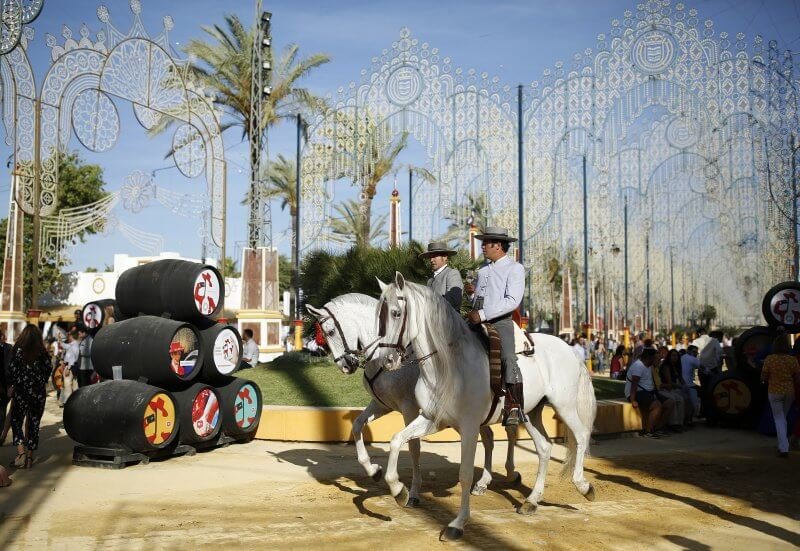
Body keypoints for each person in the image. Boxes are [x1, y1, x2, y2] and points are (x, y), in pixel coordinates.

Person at [467, 227, 526, 426]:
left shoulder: (514, 268)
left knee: (508, 358)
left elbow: (512, 301)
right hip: (477, 320)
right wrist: (471, 295)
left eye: (486, 243)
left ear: (498, 246)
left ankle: (514, 405)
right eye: (483, 243)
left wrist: (482, 314)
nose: (482, 246)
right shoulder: (483, 270)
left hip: (501, 322)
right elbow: (480, 299)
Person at [8, 324, 52, 469]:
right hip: (38, 393)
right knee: (34, 423)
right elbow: (48, 370)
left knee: (16, 420)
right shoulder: (42, 353)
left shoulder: (17, 351)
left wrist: (13, 385)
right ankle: (29, 457)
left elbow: (12, 370)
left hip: (21, 391)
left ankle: (20, 453)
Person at [761, 331, 800, 458]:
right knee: (783, 418)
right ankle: (782, 444)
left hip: (774, 392)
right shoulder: (792, 360)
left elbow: (764, 377)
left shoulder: (770, 359)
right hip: (789, 392)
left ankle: (783, 447)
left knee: (779, 419)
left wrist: (765, 380)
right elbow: (798, 378)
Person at [625, 346, 670, 438]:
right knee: (657, 406)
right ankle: (648, 431)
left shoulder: (649, 365)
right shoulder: (638, 366)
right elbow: (634, 386)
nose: (658, 360)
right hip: (636, 393)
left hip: (648, 392)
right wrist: (633, 400)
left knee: (669, 403)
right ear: (650, 358)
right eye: (656, 358)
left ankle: (657, 428)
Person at [419, 241, 463, 311]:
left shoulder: (452, 274)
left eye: (434, 256)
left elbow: (454, 300)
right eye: (430, 257)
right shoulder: (430, 280)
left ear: (445, 257)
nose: (431, 260)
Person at [680, 345, 701, 419]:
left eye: (696, 352)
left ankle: (688, 419)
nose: (695, 353)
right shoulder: (693, 359)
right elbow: (704, 368)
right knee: (694, 403)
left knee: (685, 403)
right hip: (689, 385)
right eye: (694, 352)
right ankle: (691, 417)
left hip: (681, 384)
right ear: (688, 351)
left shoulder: (682, 357)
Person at [61, 331, 79, 406]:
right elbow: (65, 346)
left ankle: (68, 402)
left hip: (70, 366)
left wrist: (68, 368)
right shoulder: (73, 344)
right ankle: (76, 400)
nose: (68, 337)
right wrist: (59, 339)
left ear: (71, 336)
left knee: (68, 384)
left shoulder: (74, 345)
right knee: (75, 385)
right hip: (73, 366)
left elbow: (72, 357)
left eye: (69, 335)